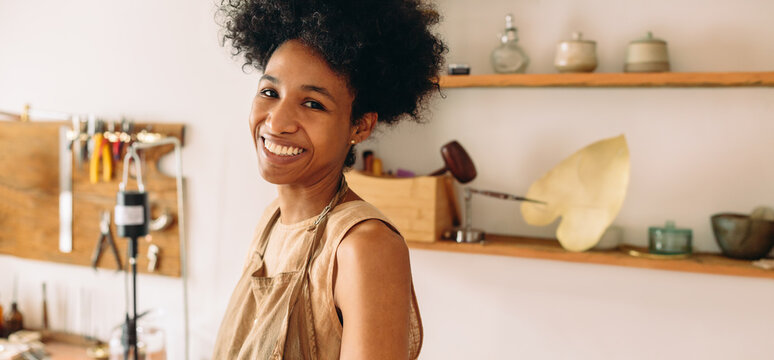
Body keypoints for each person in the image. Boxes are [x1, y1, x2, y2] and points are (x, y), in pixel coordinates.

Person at [213, 0, 446, 358]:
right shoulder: (273, 220)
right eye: (270, 92)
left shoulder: (365, 247)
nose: (276, 122)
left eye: (313, 104)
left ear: (360, 125)